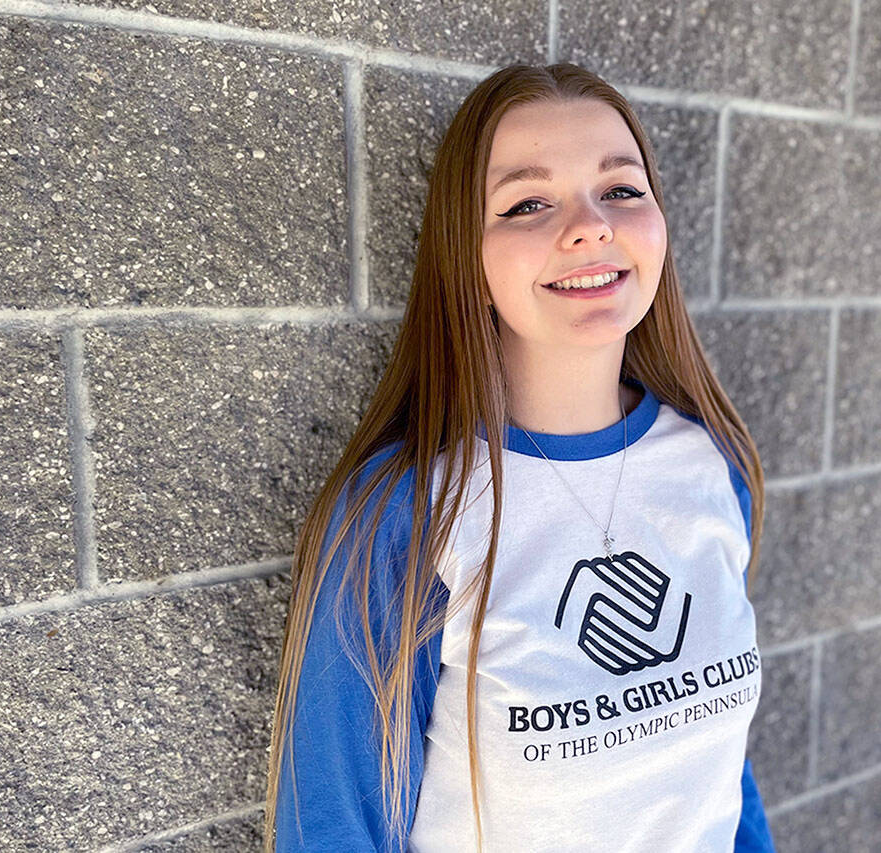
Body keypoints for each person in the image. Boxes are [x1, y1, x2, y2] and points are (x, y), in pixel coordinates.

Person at [264, 61, 778, 853]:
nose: (591, 226)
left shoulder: (712, 465)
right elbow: (332, 826)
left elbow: (718, 777)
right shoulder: (407, 509)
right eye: (528, 204)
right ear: (465, 255)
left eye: (621, 189)